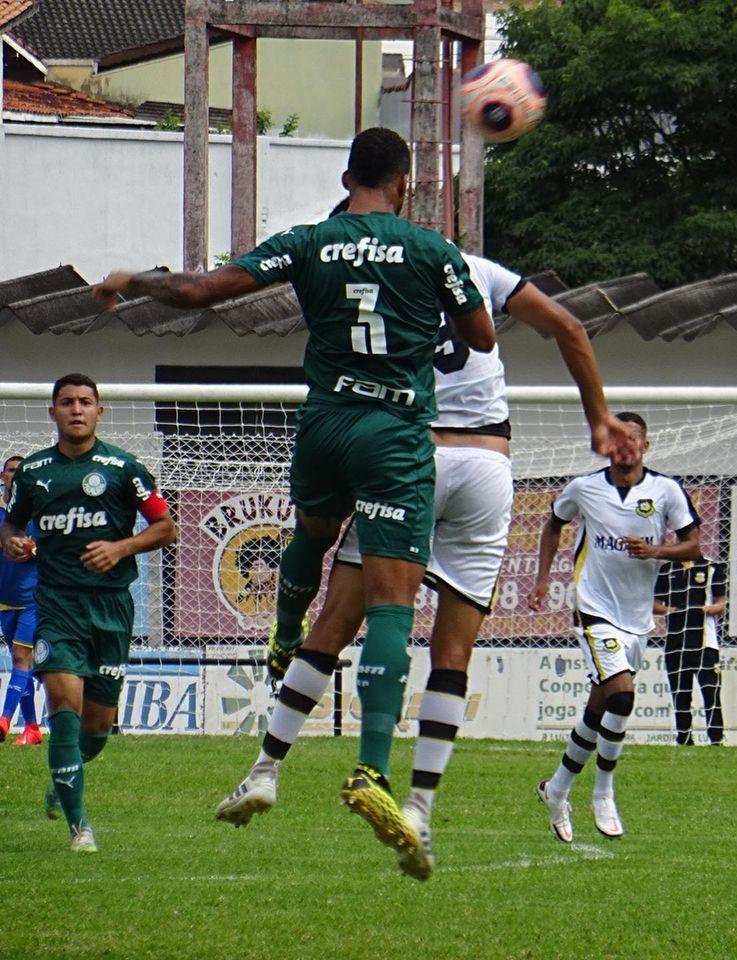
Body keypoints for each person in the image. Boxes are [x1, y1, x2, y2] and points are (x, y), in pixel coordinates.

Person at [93, 128, 494, 866]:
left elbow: (198, 292)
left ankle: (282, 636)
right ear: (404, 183)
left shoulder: (307, 240)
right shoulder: (433, 250)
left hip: (323, 425)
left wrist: (130, 276)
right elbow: (483, 337)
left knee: (312, 529)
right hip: (393, 434)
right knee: (390, 600)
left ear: (348, 178)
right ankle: (373, 769)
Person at [214, 244, 638, 880]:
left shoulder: (375, 267)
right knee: (453, 656)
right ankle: (419, 810)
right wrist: (598, 416)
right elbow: (569, 327)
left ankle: (266, 770)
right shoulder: (481, 272)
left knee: (334, 627)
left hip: (410, 457)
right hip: (487, 468)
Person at [0, 374, 177, 853]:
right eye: (66, 402)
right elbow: (12, 524)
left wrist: (120, 547)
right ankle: (81, 828)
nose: (76, 409)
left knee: (97, 729)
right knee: (64, 708)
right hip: (56, 604)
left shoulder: (125, 469)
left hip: (112, 608)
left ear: (100, 412)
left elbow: (166, 528)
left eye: (85, 402)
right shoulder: (34, 472)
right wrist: (12, 542)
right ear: (52, 413)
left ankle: (62, 781)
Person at [529, 413, 700, 842]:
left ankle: (557, 788)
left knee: (599, 707)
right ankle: (603, 792)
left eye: (633, 439)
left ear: (645, 446)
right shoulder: (585, 488)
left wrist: (656, 550)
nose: (625, 447)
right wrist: (544, 578)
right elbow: (553, 523)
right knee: (622, 695)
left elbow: (694, 545)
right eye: (617, 439)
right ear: (607, 447)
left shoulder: (665, 491)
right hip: (594, 609)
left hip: (637, 619)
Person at [654, 556, 727, 745]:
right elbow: (655, 604)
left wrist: (706, 609)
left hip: (705, 643)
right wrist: (671, 610)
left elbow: (721, 604)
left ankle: (716, 740)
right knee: (681, 694)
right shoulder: (667, 569)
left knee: (711, 693)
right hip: (675, 643)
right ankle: (684, 738)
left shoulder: (711, 567)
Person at [0, 454, 41, 745]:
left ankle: (3, 721)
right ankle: (32, 729)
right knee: (24, 663)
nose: (15, 475)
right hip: (4, 599)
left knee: (19, 655)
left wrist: (34, 549)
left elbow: (54, 545)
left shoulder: (37, 510)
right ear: (3, 477)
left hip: (33, 597)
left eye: (20, 471)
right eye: (11, 471)